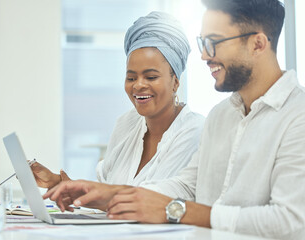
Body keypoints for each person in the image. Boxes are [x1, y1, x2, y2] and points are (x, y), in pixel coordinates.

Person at [43, 0, 305, 239]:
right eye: (203, 43)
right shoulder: (221, 116)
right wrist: (107, 193)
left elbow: (291, 221)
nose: (204, 55)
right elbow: (187, 186)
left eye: (214, 42)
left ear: (258, 44)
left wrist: (176, 211)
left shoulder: (298, 116)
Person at [31, 11, 204, 189]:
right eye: (131, 78)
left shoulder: (195, 131)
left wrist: (76, 189)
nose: (138, 85)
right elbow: (105, 193)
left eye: (151, 77)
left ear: (175, 81)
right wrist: (58, 183)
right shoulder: (126, 124)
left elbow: (155, 198)